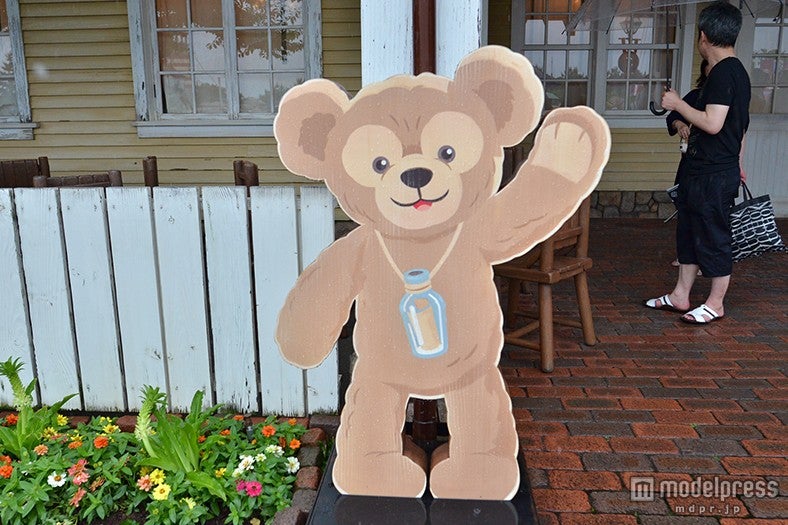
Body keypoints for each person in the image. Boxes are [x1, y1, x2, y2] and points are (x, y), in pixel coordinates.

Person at [644, 1, 750, 324]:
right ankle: (681, 295)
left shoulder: (725, 73)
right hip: (699, 171)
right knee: (689, 233)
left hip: (714, 175)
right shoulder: (727, 73)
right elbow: (739, 128)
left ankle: (716, 303)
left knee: (714, 236)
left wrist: (677, 104)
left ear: (703, 36)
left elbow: (713, 123)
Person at [667, 59, 709, 268]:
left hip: (712, 166)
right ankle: (686, 255)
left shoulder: (726, 99)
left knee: (706, 213)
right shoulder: (695, 96)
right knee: (683, 204)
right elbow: (673, 116)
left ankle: (703, 260)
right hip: (689, 161)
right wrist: (680, 124)